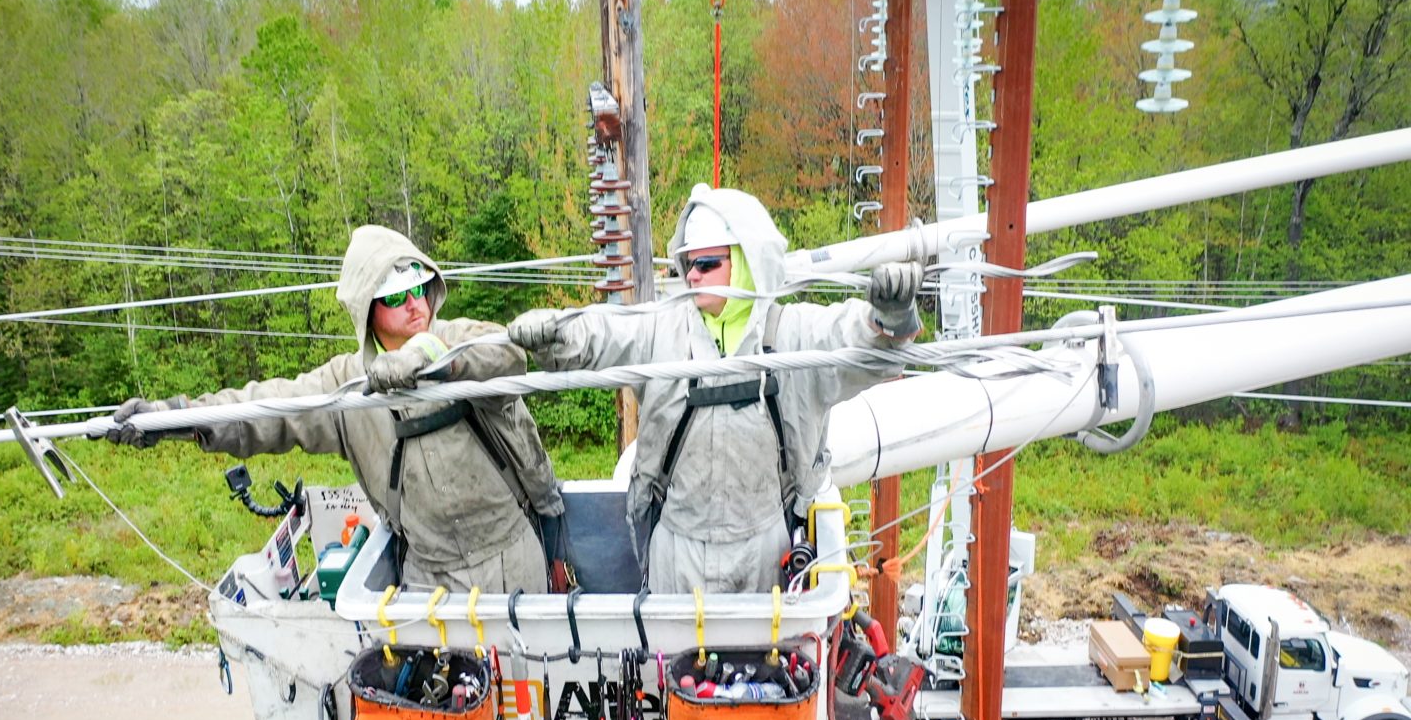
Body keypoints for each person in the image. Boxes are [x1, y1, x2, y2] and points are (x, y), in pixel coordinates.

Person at [103, 225, 565, 595]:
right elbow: (270, 408)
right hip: (428, 578)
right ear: (367, 310)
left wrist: (430, 356)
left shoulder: (459, 339)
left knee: (528, 685)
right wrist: (175, 418)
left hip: (511, 559)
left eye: (420, 288)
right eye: (395, 296)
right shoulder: (347, 387)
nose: (414, 306)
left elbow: (507, 355)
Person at [507, 184, 921, 595]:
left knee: (762, 645)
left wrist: (889, 318)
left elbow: (858, 340)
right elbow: (603, 332)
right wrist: (555, 334)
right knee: (676, 643)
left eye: (706, 263)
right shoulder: (659, 332)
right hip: (676, 550)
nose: (692, 275)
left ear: (746, 262)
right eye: (688, 263)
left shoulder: (793, 335)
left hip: (766, 552)